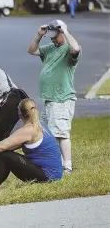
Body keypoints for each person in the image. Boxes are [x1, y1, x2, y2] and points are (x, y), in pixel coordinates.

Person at [27, 20, 81, 174]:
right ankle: (58, 163)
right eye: (51, 37)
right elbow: (31, 50)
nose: (52, 39)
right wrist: (39, 35)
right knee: (52, 132)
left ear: (62, 34)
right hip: (50, 98)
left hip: (62, 97)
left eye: (55, 36)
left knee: (62, 132)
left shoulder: (69, 48)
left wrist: (65, 31)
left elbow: (76, 49)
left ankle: (67, 166)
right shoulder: (51, 48)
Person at [0, 98, 63, 195]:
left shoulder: (28, 130)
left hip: (48, 177)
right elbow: (7, 146)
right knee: (4, 154)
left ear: (19, 113)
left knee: (4, 156)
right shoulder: (40, 126)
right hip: (54, 176)